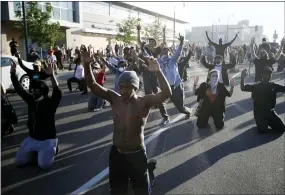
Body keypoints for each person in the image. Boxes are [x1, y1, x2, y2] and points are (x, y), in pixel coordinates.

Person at [81, 45, 172, 194]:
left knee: (141, 192)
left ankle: (148, 171)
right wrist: (86, 64)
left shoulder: (144, 103)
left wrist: (158, 72)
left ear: (135, 87)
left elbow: (166, 94)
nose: (122, 90)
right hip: (116, 154)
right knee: (117, 191)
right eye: (120, 86)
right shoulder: (114, 99)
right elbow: (92, 85)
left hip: (136, 155)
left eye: (126, 87)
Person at [11, 59, 62, 169]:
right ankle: (36, 152)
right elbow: (19, 89)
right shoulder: (31, 100)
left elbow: (57, 91)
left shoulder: (50, 103)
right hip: (32, 138)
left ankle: (54, 147)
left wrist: (52, 75)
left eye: (36, 90)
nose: (33, 92)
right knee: (19, 162)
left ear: (43, 91)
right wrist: (12, 73)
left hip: (47, 140)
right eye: (32, 90)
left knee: (43, 165)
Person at [240, 67, 285, 133]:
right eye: (266, 74)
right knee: (263, 130)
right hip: (259, 113)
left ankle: (269, 121)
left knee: (282, 128)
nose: (268, 75)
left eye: (270, 74)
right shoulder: (257, 86)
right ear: (262, 74)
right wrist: (242, 77)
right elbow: (243, 88)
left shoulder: (274, 85)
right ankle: (262, 122)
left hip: (270, 112)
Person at [158, 34, 192, 119]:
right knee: (160, 103)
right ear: (161, 51)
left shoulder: (172, 60)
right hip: (165, 87)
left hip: (175, 87)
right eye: (163, 49)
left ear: (169, 51)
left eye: (166, 49)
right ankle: (165, 117)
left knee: (181, 108)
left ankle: (188, 112)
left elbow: (177, 53)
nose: (165, 51)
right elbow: (148, 57)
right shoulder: (159, 61)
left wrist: (181, 43)